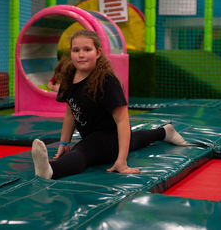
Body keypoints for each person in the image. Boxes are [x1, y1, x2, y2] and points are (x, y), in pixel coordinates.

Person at [32, 29, 187, 179]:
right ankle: (165, 132)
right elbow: (70, 112)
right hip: (93, 134)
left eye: (87, 49)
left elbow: (122, 120)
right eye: (76, 50)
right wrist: (64, 143)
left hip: (110, 137)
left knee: (83, 151)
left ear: (98, 52)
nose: (81, 55)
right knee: (136, 139)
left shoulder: (106, 81)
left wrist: (122, 161)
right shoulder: (69, 76)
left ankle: (51, 170)